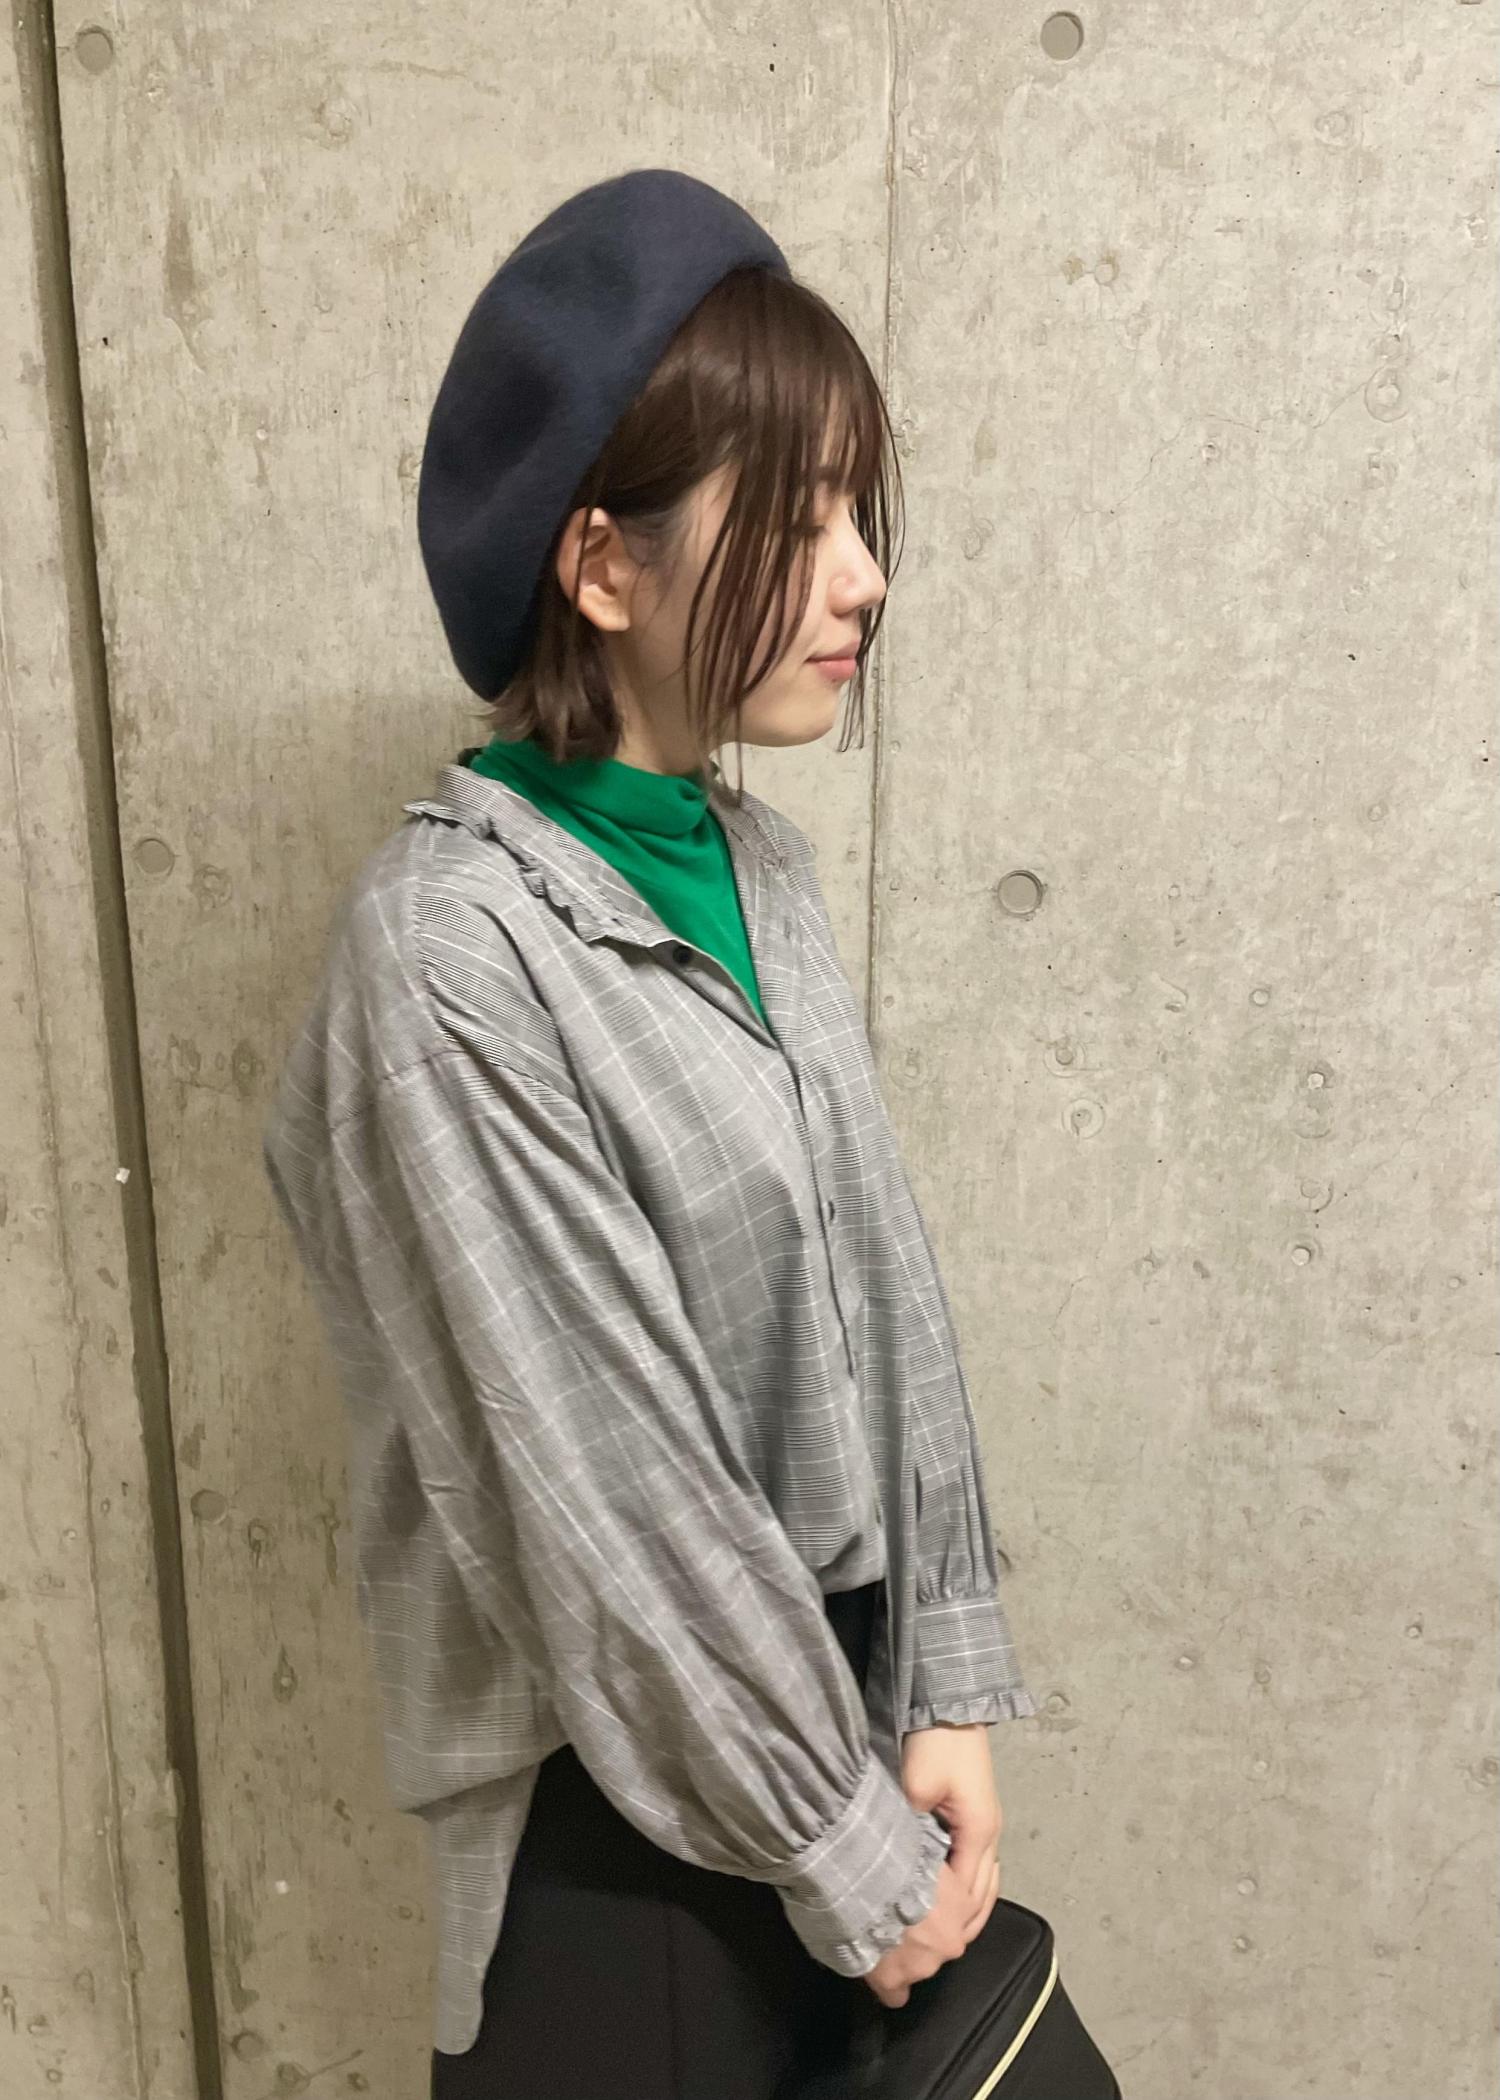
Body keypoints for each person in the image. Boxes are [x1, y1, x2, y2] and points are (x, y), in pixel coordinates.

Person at [261, 168, 1036, 2100]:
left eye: (863, 513)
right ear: (601, 564)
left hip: (823, 1756)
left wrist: (941, 1679)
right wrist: (843, 1843)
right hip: (628, 1852)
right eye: (801, 516)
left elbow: (885, 1284)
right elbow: (605, 1494)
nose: (864, 576)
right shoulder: (449, 956)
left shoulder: (758, 869)